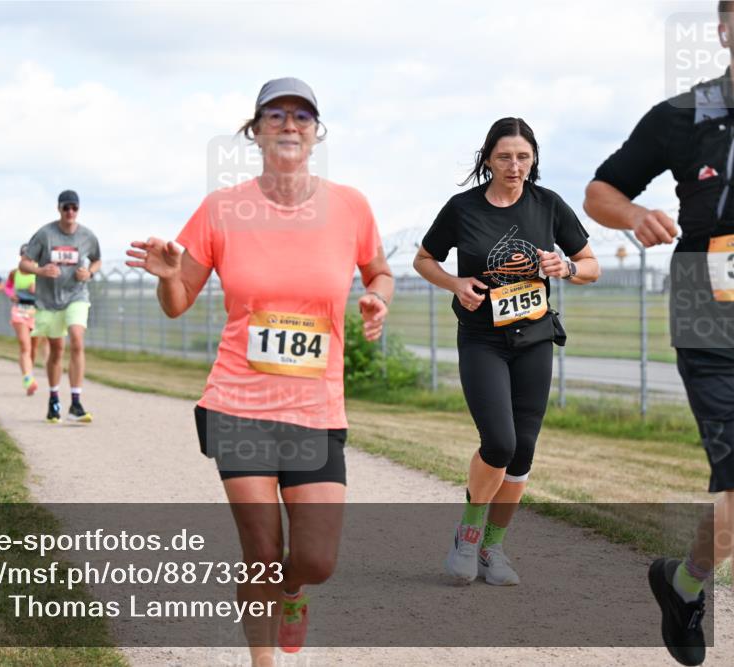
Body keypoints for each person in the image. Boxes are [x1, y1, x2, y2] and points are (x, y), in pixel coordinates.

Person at [127, 77, 393, 664]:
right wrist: (168, 277)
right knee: (261, 554)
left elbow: (379, 270)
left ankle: (293, 593)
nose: (290, 125)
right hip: (238, 404)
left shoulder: (349, 206)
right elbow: (178, 302)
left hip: (315, 409)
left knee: (315, 561)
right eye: (276, 115)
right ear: (255, 131)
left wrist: (377, 297)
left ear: (317, 133)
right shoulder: (222, 209)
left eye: (302, 116)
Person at [582, 6, 734, 664]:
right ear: (724, 29)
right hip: (711, 314)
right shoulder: (681, 115)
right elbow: (600, 191)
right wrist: (635, 214)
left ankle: (684, 583)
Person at [414, 117, 599, 588]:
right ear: (488, 160)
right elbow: (424, 259)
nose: (514, 165)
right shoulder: (463, 208)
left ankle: (493, 548)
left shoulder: (548, 204)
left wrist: (567, 267)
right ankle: (468, 535)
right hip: (482, 339)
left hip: (534, 338)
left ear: (533, 159)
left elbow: (590, 265)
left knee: (523, 451)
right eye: (504, 157)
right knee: (499, 442)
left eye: (523, 157)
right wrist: (455, 283)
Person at [20, 190, 101, 423]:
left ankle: (76, 403)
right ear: (59, 209)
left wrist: (89, 272)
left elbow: (97, 260)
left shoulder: (87, 236)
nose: (70, 212)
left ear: (78, 209)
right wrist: (40, 270)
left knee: (77, 339)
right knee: (56, 350)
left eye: (74, 208)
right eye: (66, 207)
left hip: (76, 295)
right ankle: (54, 399)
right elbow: (24, 264)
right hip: (49, 301)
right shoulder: (45, 234)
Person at [7, 244, 42, 395]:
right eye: (25, 256)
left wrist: (38, 289)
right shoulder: (15, 273)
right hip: (20, 310)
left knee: (33, 348)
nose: (29, 259)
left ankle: (30, 375)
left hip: (36, 312)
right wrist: (11, 295)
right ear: (21, 257)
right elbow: (8, 287)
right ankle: (27, 379)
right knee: (24, 345)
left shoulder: (40, 271)